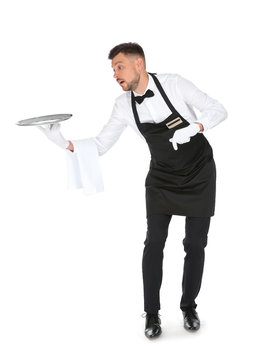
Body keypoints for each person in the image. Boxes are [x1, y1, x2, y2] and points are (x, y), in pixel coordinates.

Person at [40, 42, 227, 339]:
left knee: (195, 243)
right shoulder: (123, 105)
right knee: (154, 242)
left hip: (199, 173)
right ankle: (151, 313)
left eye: (119, 66)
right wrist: (63, 142)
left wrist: (195, 127)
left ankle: (188, 307)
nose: (115, 73)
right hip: (162, 177)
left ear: (138, 63)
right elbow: (100, 145)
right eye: (113, 69)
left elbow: (218, 109)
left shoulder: (174, 84)